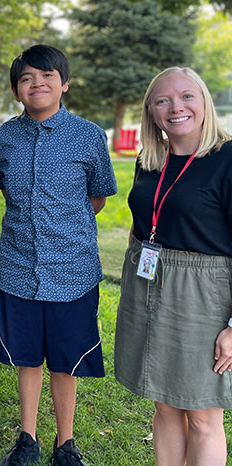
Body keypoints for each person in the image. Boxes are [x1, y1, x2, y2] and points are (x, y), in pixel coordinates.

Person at [0, 45, 117, 466]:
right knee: (26, 357)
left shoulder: (90, 136)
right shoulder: (4, 138)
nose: (37, 84)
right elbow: (4, 191)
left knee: (65, 361)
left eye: (47, 76)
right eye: (27, 78)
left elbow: (96, 198)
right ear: (16, 90)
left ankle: (66, 443)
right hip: (18, 267)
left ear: (64, 84)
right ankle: (27, 438)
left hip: (73, 269)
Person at [114, 67, 232, 466]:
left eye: (186, 97)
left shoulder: (227, 158)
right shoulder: (150, 161)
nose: (175, 107)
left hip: (203, 294)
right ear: (151, 111)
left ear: (203, 103)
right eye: (162, 100)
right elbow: (143, 220)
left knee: (201, 414)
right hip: (148, 285)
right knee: (164, 405)